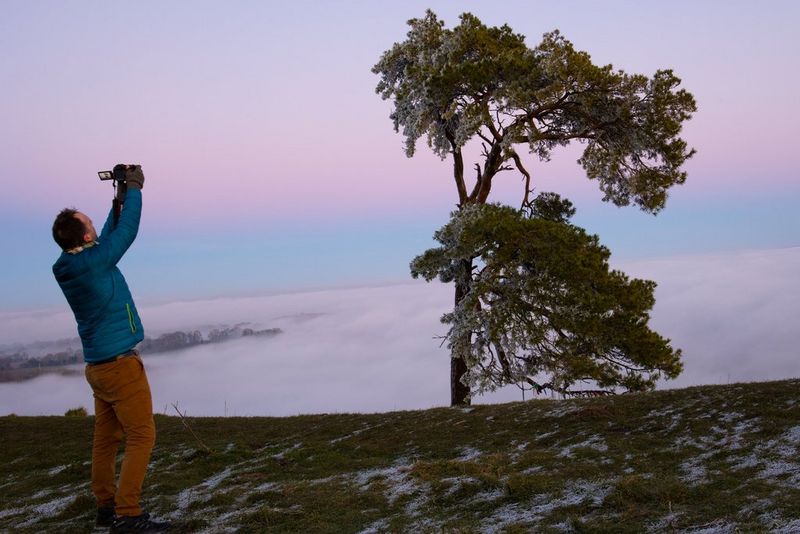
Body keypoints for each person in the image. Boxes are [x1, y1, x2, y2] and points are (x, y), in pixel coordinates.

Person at [52, 165, 170, 533]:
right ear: (84, 234)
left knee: (106, 439)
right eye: (89, 222)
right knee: (142, 434)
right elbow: (125, 233)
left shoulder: (70, 264)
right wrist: (134, 189)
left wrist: (118, 196)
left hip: (97, 368)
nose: (93, 226)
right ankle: (128, 514)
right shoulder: (94, 260)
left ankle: (106, 507)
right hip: (120, 366)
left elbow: (105, 237)